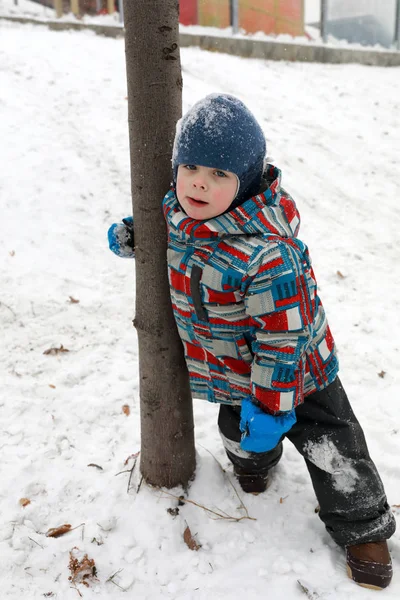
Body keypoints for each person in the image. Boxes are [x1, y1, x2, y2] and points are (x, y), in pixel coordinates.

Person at [108, 94, 396, 590]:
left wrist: (271, 403)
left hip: (299, 370)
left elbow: (283, 340)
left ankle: (361, 526)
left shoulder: (266, 255)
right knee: (238, 428)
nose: (199, 181)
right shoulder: (184, 216)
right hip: (230, 369)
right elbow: (167, 231)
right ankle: (254, 464)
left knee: (332, 443)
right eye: (191, 166)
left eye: (220, 175)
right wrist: (135, 235)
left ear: (243, 184)